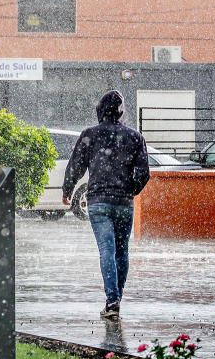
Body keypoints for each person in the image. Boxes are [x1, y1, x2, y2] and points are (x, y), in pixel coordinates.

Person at [62, 90, 150, 320]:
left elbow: (76, 166)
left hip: (98, 201)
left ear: (100, 111)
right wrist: (130, 190)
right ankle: (115, 299)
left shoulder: (90, 135)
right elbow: (144, 174)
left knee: (107, 250)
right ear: (120, 112)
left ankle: (112, 301)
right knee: (122, 251)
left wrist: (67, 190)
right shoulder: (134, 137)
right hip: (123, 202)